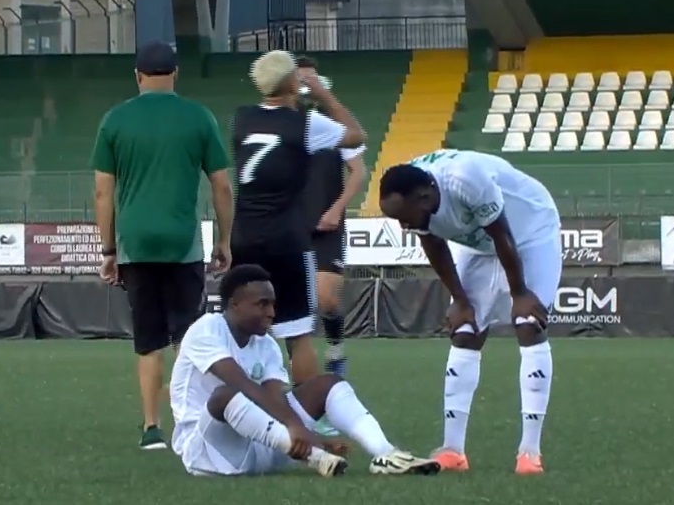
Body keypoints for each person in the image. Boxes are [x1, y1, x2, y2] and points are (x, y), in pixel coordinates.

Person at [378, 149, 561, 475]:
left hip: (529, 230)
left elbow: (502, 235)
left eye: (404, 217)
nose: (403, 226)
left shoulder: (466, 178)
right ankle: (453, 451)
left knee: (529, 323)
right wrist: (460, 301)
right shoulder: (416, 191)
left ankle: (529, 453)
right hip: (478, 241)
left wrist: (519, 293)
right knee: (465, 331)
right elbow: (433, 245)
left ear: (424, 197)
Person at [91, 40, 234, 450]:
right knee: (189, 340)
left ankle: (151, 428)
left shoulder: (115, 120)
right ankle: (196, 422)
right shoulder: (198, 117)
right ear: (176, 74)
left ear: (137, 75)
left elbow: (104, 192)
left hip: (136, 243)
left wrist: (108, 251)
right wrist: (224, 240)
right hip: (182, 243)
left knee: (147, 340)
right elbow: (222, 186)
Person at [169, 263, 441, 477]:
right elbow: (241, 384)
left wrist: (307, 431)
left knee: (327, 384)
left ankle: (386, 455)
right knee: (224, 395)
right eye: (262, 304)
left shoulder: (267, 345)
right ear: (234, 305)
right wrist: (299, 428)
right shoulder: (206, 330)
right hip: (208, 453)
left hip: (267, 445)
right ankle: (315, 456)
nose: (272, 312)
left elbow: (275, 396)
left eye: (273, 304)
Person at [230, 50, 366, 389]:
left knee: (242, 327)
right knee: (297, 333)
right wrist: (322, 94)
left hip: (244, 234)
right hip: (286, 237)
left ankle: (243, 406)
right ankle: (305, 415)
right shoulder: (306, 123)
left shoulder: (242, 118)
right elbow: (356, 134)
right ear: (293, 83)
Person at [297, 56, 367, 381]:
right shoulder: (283, 123)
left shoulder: (335, 126)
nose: (307, 87)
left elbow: (358, 171)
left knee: (326, 297)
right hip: (290, 224)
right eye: (301, 81)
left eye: (313, 81)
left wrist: (337, 209)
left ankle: (336, 351)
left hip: (326, 225)